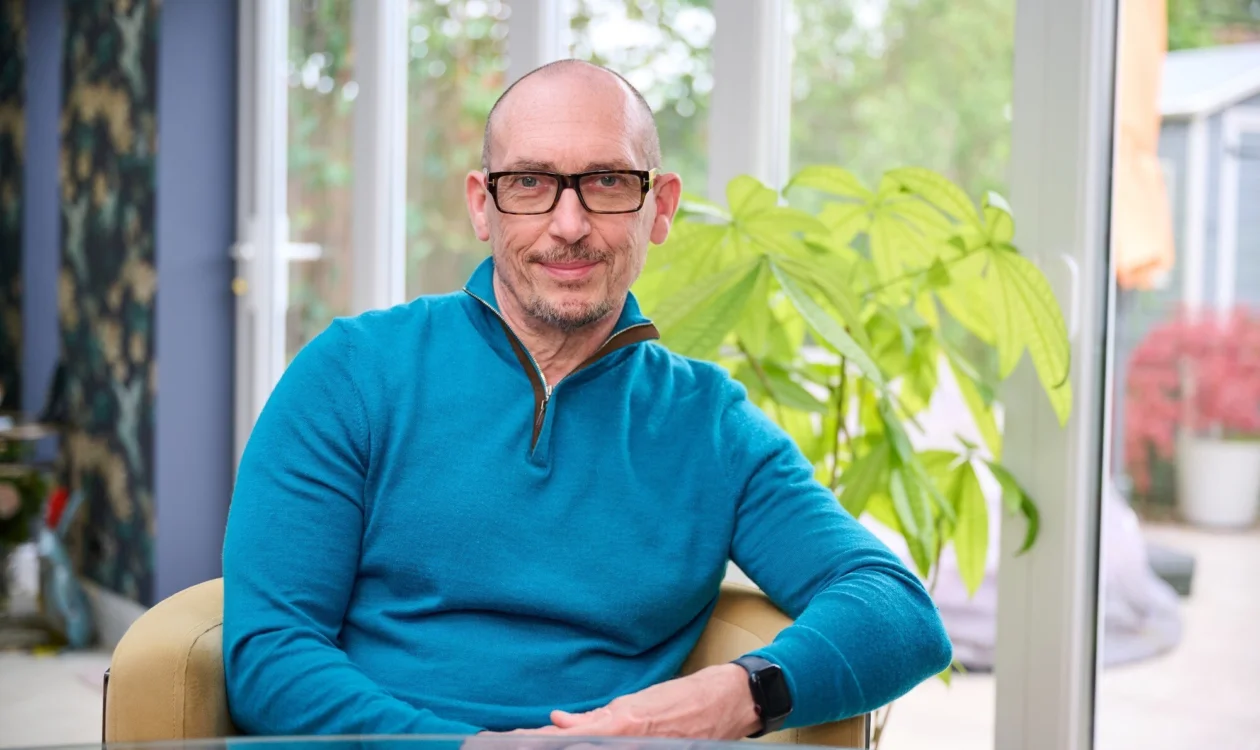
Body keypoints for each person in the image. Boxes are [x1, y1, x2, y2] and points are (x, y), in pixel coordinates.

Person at [222, 59, 951, 740]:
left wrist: (737, 695)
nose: (568, 225)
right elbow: (270, 652)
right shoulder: (352, 372)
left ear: (658, 207)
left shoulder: (710, 425)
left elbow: (897, 609)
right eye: (531, 182)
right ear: (484, 205)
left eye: (605, 182)